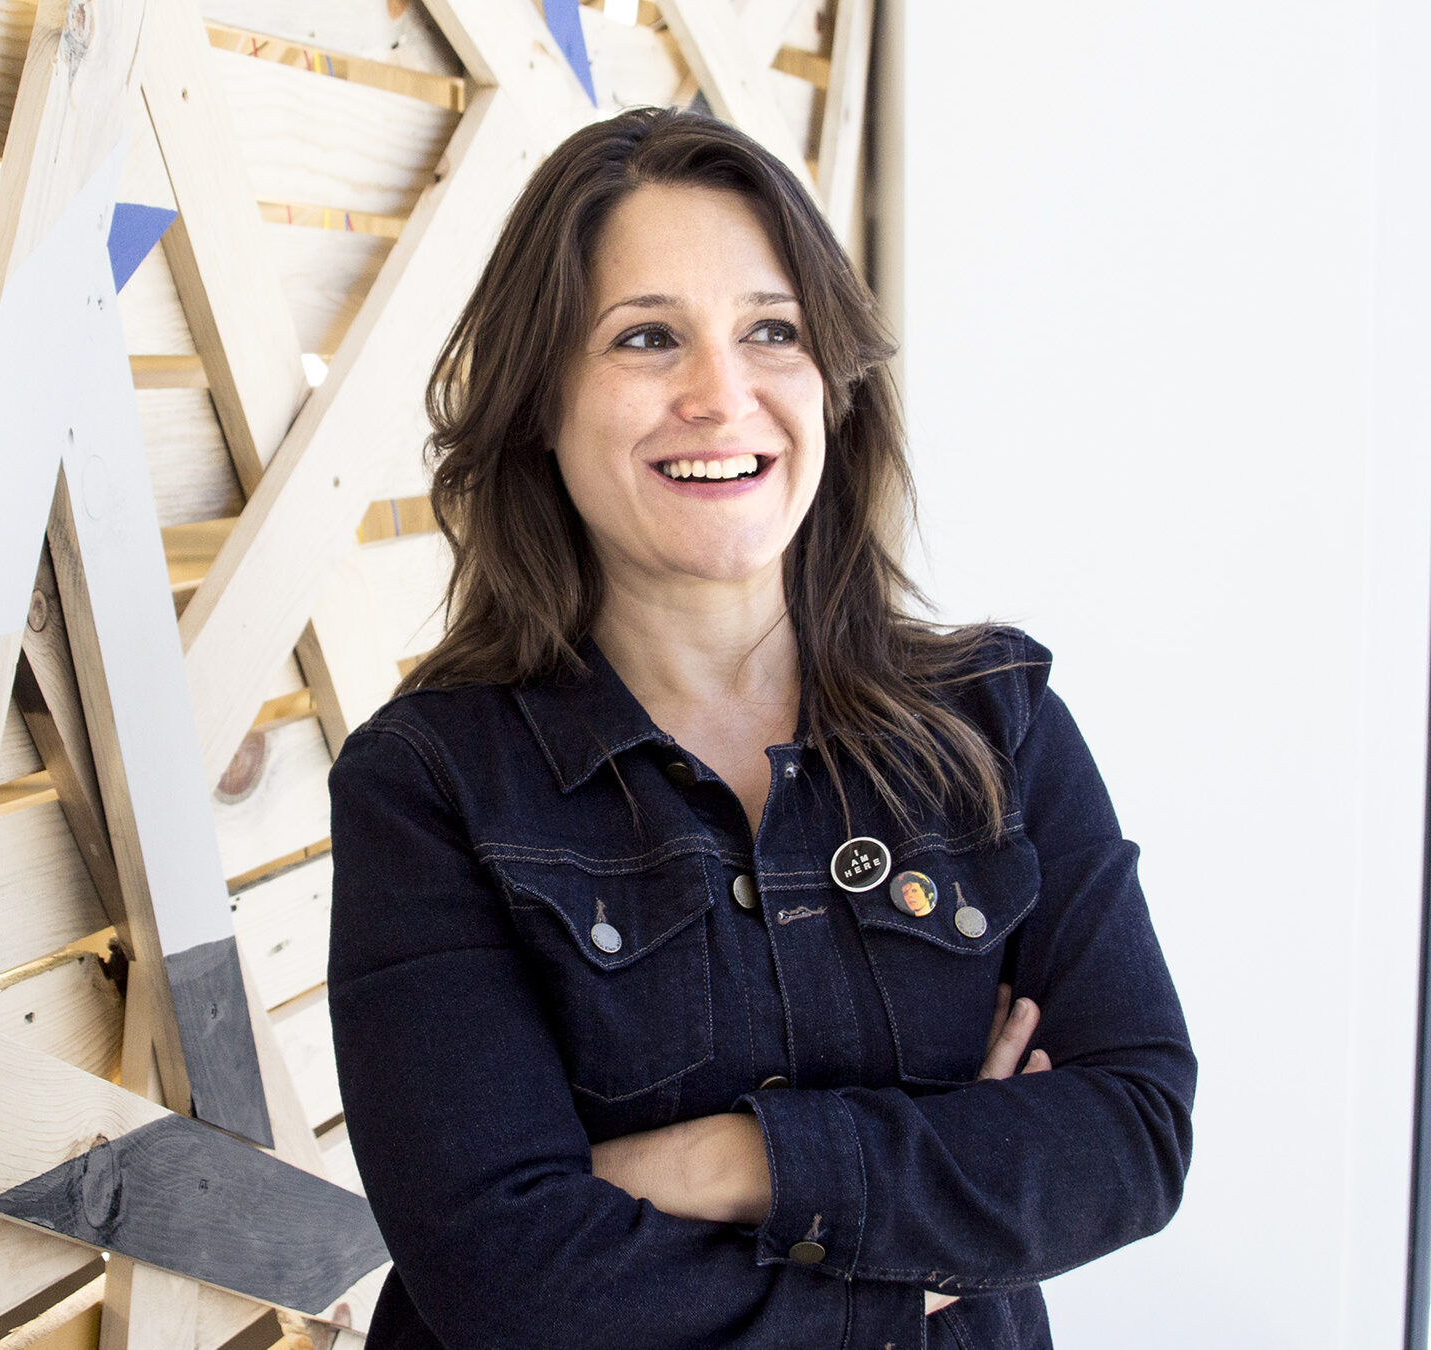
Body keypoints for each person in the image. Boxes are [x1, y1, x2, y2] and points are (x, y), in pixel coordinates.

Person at [323, 107, 1195, 1349]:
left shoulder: (997, 724)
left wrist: (733, 1164)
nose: (720, 395)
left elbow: (1135, 1132)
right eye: (647, 338)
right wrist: (929, 1248)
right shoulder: (432, 784)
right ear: (540, 405)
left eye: (770, 332)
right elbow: (504, 1275)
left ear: (830, 385)